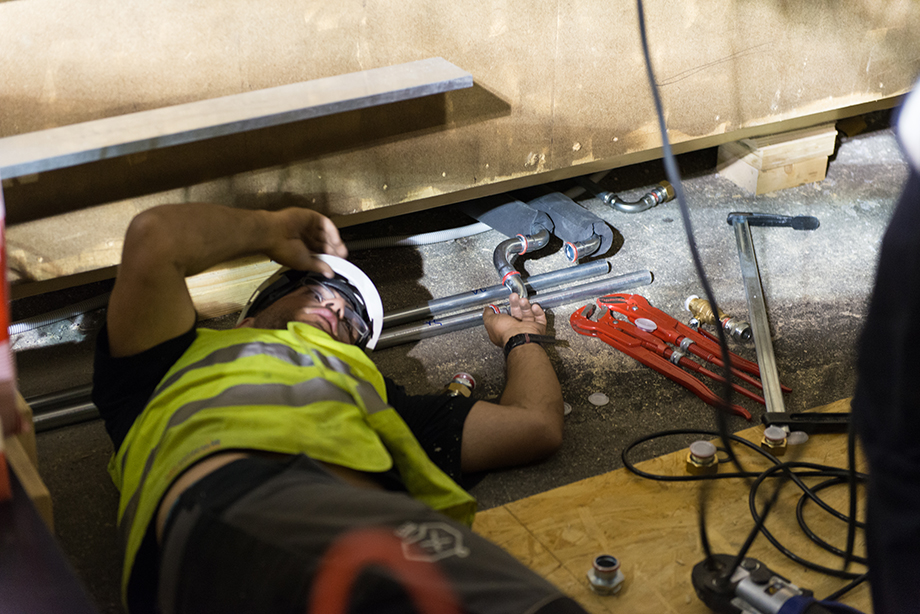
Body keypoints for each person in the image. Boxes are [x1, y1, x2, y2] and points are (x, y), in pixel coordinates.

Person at [91, 203, 587, 614]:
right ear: (255, 309)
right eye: (321, 292)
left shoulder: (378, 402)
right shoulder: (165, 359)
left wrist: (520, 338)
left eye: (350, 318)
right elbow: (155, 238)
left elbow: (535, 425)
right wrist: (275, 230)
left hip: (374, 530)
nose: (335, 309)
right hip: (236, 509)